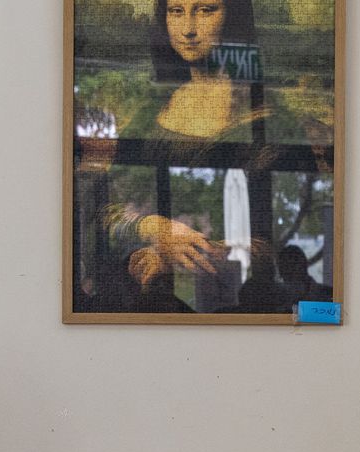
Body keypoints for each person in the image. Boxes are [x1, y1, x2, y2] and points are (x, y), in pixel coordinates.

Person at [71, 0, 333, 314]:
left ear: (233, 18)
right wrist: (151, 229)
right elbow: (105, 213)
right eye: (176, 11)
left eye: (206, 10)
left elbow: (285, 229)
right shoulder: (148, 112)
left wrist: (207, 250)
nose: (189, 29)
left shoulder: (268, 118)